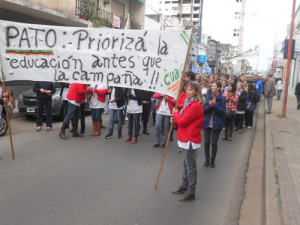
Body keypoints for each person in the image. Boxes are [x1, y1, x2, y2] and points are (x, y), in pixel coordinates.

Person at [171, 81, 205, 202]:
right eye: (186, 89)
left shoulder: (195, 105)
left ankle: (191, 192)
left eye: (190, 89)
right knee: (185, 164)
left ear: (196, 91)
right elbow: (181, 119)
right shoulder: (188, 103)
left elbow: (183, 121)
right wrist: (175, 118)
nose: (188, 91)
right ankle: (184, 186)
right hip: (185, 137)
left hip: (190, 138)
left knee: (191, 166)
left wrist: (175, 115)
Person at [203, 81, 226, 168]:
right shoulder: (209, 96)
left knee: (213, 143)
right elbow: (204, 109)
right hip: (207, 122)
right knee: (206, 142)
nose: (211, 87)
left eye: (213, 86)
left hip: (217, 123)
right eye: (211, 86)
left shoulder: (222, 98)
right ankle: (207, 160)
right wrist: (210, 106)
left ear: (218, 88)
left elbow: (222, 111)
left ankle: (212, 160)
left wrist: (214, 106)